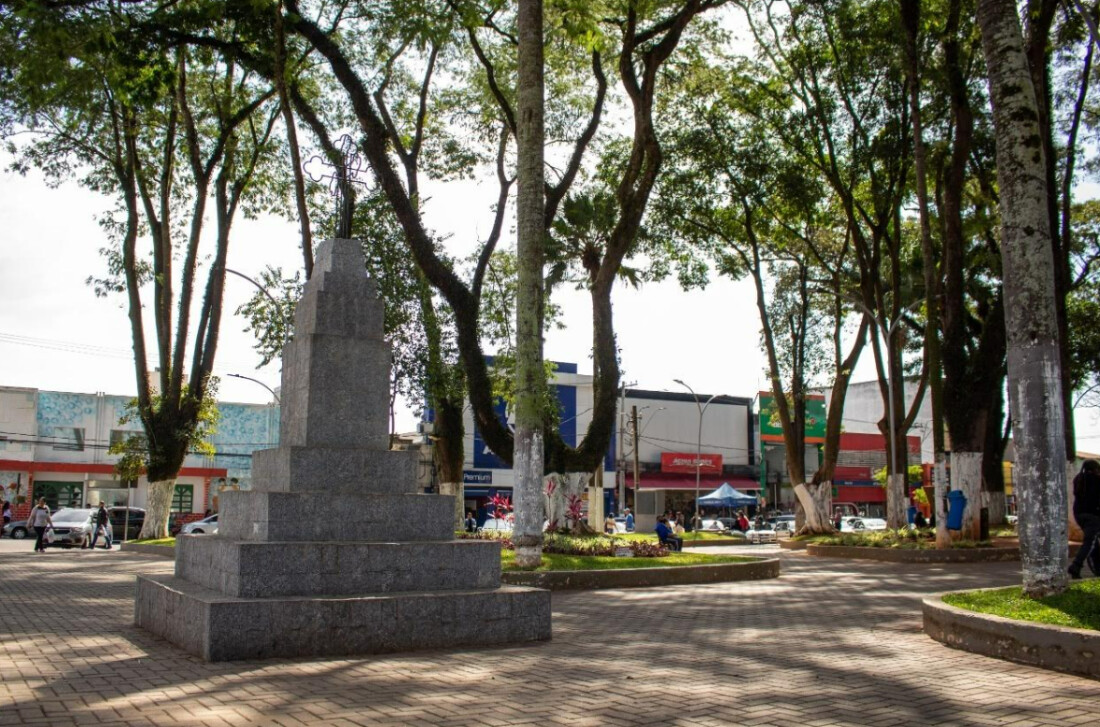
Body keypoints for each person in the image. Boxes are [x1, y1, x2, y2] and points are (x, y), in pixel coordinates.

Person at [1069, 459, 1100, 579]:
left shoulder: (1079, 479)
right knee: (1090, 543)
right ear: (1095, 469)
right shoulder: (1097, 480)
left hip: (1079, 515)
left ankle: (1098, 569)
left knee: (1094, 542)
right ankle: (1076, 565)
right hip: (1093, 516)